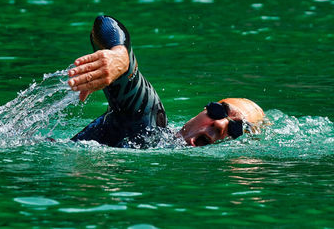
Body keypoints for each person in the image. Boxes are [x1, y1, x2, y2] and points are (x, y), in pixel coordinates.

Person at [68, 15, 264, 147]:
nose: (220, 124)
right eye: (218, 111)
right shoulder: (147, 123)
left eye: (236, 129)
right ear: (203, 110)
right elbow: (105, 23)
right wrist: (120, 55)